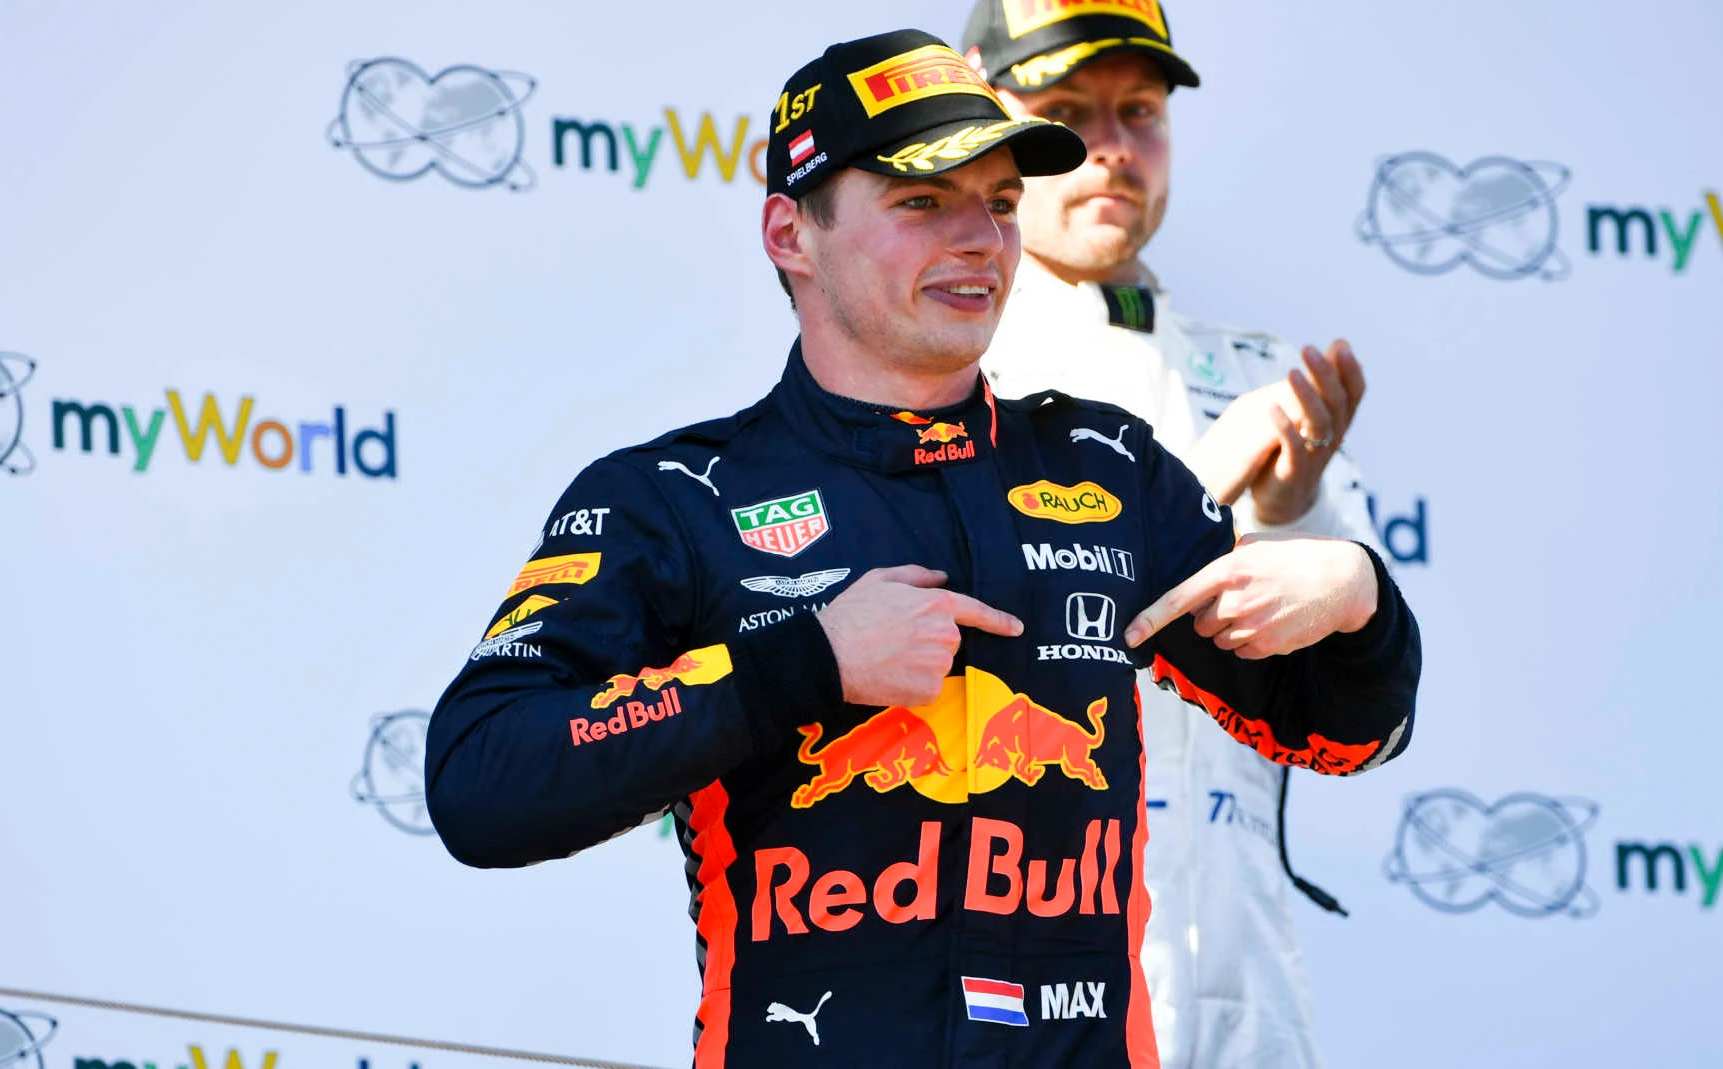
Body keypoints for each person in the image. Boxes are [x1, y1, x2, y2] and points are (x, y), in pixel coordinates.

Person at [424, 27, 1419, 1068]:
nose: (981, 241)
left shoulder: (1109, 468)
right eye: (921, 202)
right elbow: (481, 781)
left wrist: (1359, 597)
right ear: (790, 234)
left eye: (995, 203)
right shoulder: (673, 498)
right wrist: (803, 662)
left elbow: (1339, 731)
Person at [962, 2, 1383, 1066]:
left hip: (1241, 983)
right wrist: (1202, 481)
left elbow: (1361, 707)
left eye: (1138, 111)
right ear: (982, 116)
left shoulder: (1251, 370)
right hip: (1015, 967)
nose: (1109, 146)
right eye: (1064, 111)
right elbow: (1000, 629)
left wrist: (1295, 511)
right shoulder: (931, 368)